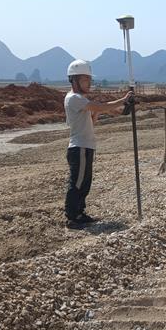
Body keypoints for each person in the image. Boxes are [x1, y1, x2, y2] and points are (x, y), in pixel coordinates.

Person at [64, 59, 133, 229]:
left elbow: (93, 119)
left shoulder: (81, 100)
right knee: (77, 183)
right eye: (85, 79)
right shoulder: (74, 98)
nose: (88, 83)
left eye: (89, 79)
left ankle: (80, 213)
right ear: (74, 80)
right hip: (79, 147)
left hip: (86, 146)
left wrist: (100, 111)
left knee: (85, 183)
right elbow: (100, 107)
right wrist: (123, 100)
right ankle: (72, 217)